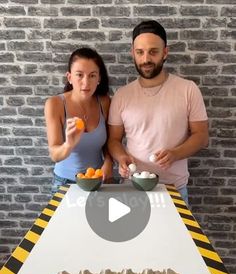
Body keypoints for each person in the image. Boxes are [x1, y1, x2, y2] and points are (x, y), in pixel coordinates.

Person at [108, 20, 209, 203]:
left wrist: (176, 153)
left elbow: (201, 136)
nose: (146, 59)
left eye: (153, 52)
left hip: (174, 191)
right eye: (140, 52)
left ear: (165, 52)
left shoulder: (188, 89)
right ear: (133, 53)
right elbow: (113, 139)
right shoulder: (122, 95)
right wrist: (121, 157)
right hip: (132, 188)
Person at [45, 47, 113, 193]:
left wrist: (109, 161)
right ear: (69, 77)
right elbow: (54, 154)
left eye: (92, 75)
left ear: (99, 78)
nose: (86, 82)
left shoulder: (105, 102)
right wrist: (68, 144)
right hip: (64, 183)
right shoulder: (55, 104)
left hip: (98, 180)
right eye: (79, 75)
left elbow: (109, 142)